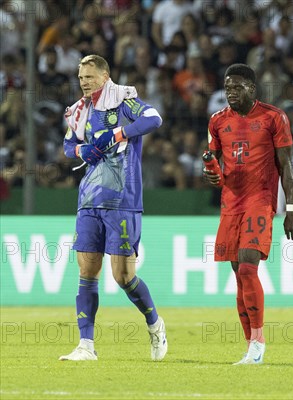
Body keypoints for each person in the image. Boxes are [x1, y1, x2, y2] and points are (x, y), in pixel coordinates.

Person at [60, 55, 167, 361]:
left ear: (105, 77)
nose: (84, 82)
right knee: (87, 270)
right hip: (89, 199)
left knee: (123, 277)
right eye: (81, 77)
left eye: (90, 77)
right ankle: (86, 345)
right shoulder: (79, 110)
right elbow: (69, 146)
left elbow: (154, 119)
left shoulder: (123, 101)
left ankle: (155, 325)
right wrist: (84, 149)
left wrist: (118, 133)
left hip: (123, 199)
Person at [204, 63, 293, 365]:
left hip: (260, 200)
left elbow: (285, 165)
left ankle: (258, 341)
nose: (230, 92)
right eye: (227, 87)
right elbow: (215, 168)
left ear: (252, 89)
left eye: (236, 87)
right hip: (231, 204)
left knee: (248, 267)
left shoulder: (274, 118)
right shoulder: (218, 121)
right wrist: (210, 170)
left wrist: (291, 209)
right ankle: (251, 345)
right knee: (238, 274)